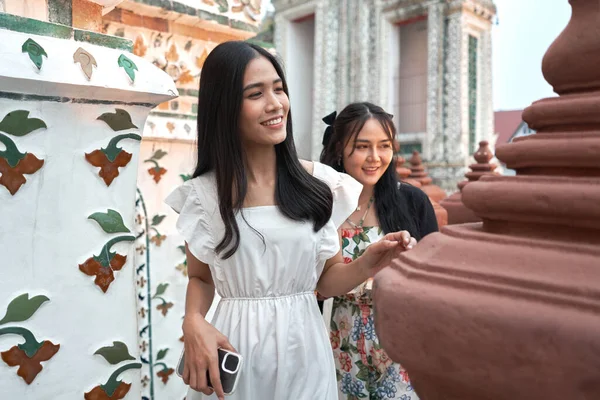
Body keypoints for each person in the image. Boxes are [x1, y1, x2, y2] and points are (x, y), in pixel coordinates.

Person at [164, 42, 416, 400]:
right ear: (225, 107)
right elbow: (201, 277)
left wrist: (367, 263)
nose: (275, 104)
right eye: (256, 94)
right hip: (235, 352)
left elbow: (326, 283)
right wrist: (193, 320)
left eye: (279, 89)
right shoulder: (203, 196)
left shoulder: (321, 185)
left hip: (306, 353)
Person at [320, 102, 438, 399]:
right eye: (362, 147)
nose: (375, 158)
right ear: (339, 149)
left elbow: (435, 280)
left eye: (384, 146)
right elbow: (315, 285)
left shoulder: (412, 202)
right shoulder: (321, 207)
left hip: (400, 342)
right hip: (334, 342)